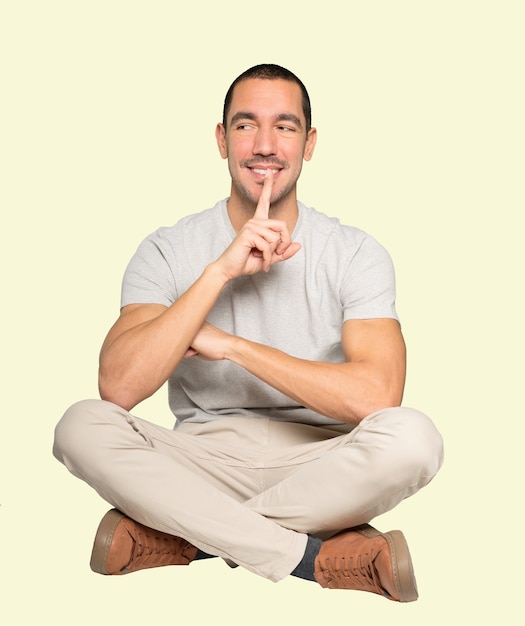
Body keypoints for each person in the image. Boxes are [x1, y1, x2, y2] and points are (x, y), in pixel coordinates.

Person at [53, 64, 444, 602]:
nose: (264, 145)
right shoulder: (168, 248)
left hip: (323, 467)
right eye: (245, 125)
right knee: (81, 425)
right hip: (199, 462)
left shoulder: (354, 252)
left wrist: (234, 346)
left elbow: (378, 396)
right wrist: (219, 272)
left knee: (414, 438)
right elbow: (118, 387)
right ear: (221, 140)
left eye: (284, 126)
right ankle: (313, 558)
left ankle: (188, 538)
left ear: (309, 144)